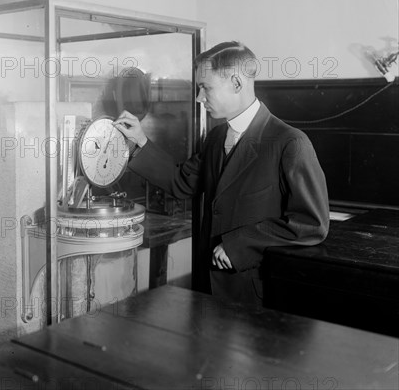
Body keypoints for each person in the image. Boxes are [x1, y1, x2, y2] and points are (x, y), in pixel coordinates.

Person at [113, 41, 329, 306]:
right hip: (207, 289)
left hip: (252, 293)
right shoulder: (217, 137)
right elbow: (182, 183)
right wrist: (141, 141)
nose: (198, 97)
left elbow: (311, 224)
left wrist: (240, 246)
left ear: (237, 84)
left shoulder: (290, 143)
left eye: (206, 87)